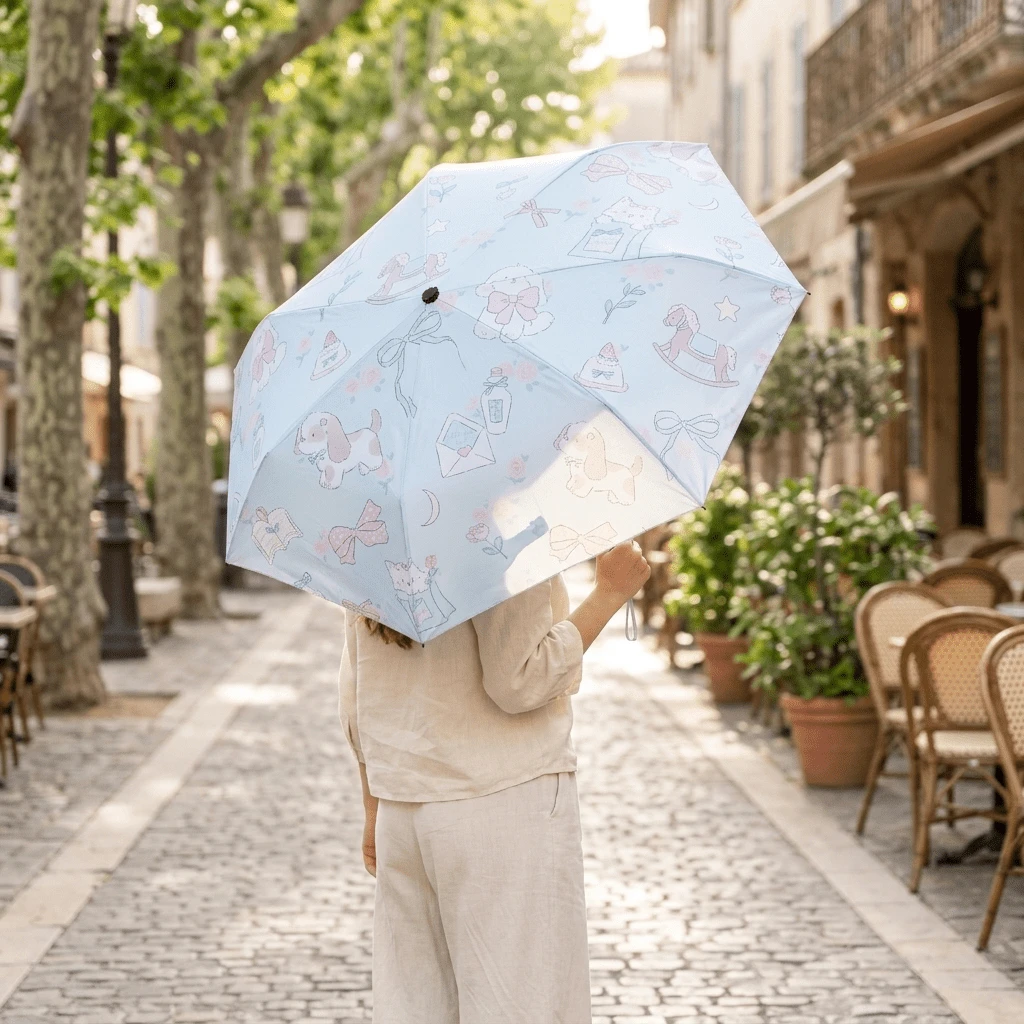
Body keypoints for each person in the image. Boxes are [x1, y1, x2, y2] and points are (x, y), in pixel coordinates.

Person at [338, 542, 651, 1024]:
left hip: (404, 809)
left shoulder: (373, 533)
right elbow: (520, 679)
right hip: (501, 797)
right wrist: (609, 593)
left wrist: (374, 804)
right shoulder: (500, 525)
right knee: (520, 1005)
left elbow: (355, 691)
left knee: (416, 1006)